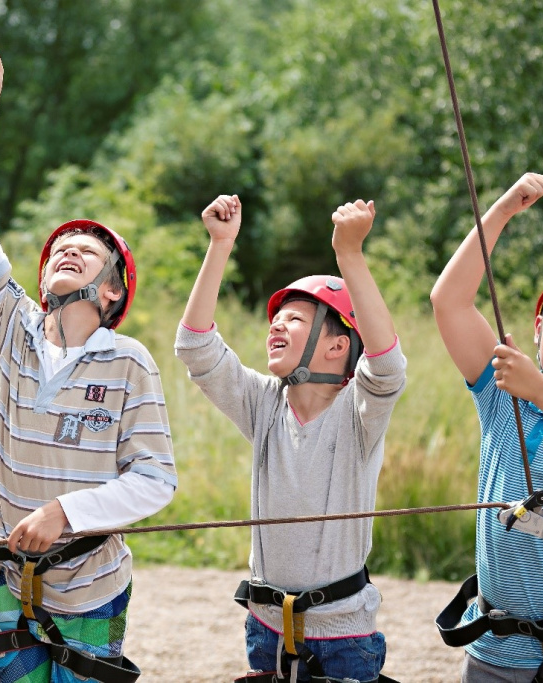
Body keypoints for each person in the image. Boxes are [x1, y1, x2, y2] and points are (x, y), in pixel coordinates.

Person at [0, 43, 177, 683]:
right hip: (6, 590)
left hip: (92, 588)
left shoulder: (130, 362)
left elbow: (155, 481)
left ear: (112, 292)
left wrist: (64, 514)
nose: (69, 250)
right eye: (61, 248)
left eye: (88, 250)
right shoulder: (10, 326)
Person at [175, 194, 406, 682]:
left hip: (344, 635)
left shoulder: (359, 416)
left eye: (296, 319)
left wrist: (350, 255)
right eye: (276, 319)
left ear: (338, 345)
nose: (276, 323)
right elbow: (195, 347)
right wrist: (220, 245)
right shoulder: (263, 404)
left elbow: (386, 367)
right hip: (267, 629)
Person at [430, 172, 543, 682]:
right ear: (537, 329)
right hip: (498, 654)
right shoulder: (501, 391)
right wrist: (504, 209)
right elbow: (449, 301)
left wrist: (537, 389)